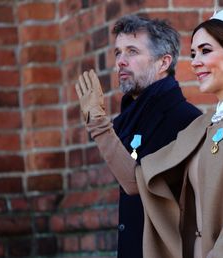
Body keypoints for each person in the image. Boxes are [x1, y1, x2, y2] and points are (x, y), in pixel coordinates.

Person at [76, 7, 223, 258]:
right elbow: (137, 181)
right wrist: (97, 121)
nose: (195, 62)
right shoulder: (204, 125)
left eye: (205, 51)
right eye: (193, 53)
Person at [76, 15, 202, 258]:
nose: (121, 62)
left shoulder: (186, 120)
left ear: (163, 62)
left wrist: (99, 125)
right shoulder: (130, 119)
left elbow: (136, 184)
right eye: (118, 53)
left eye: (132, 52)